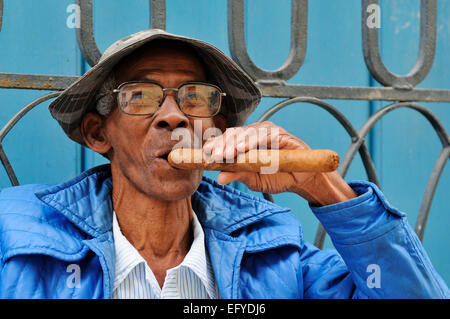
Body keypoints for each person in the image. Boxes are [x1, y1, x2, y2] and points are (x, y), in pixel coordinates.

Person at [0, 29, 448, 299]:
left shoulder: (277, 259)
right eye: (140, 96)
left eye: (194, 97)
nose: (174, 115)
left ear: (214, 127)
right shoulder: (17, 238)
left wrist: (323, 189)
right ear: (99, 134)